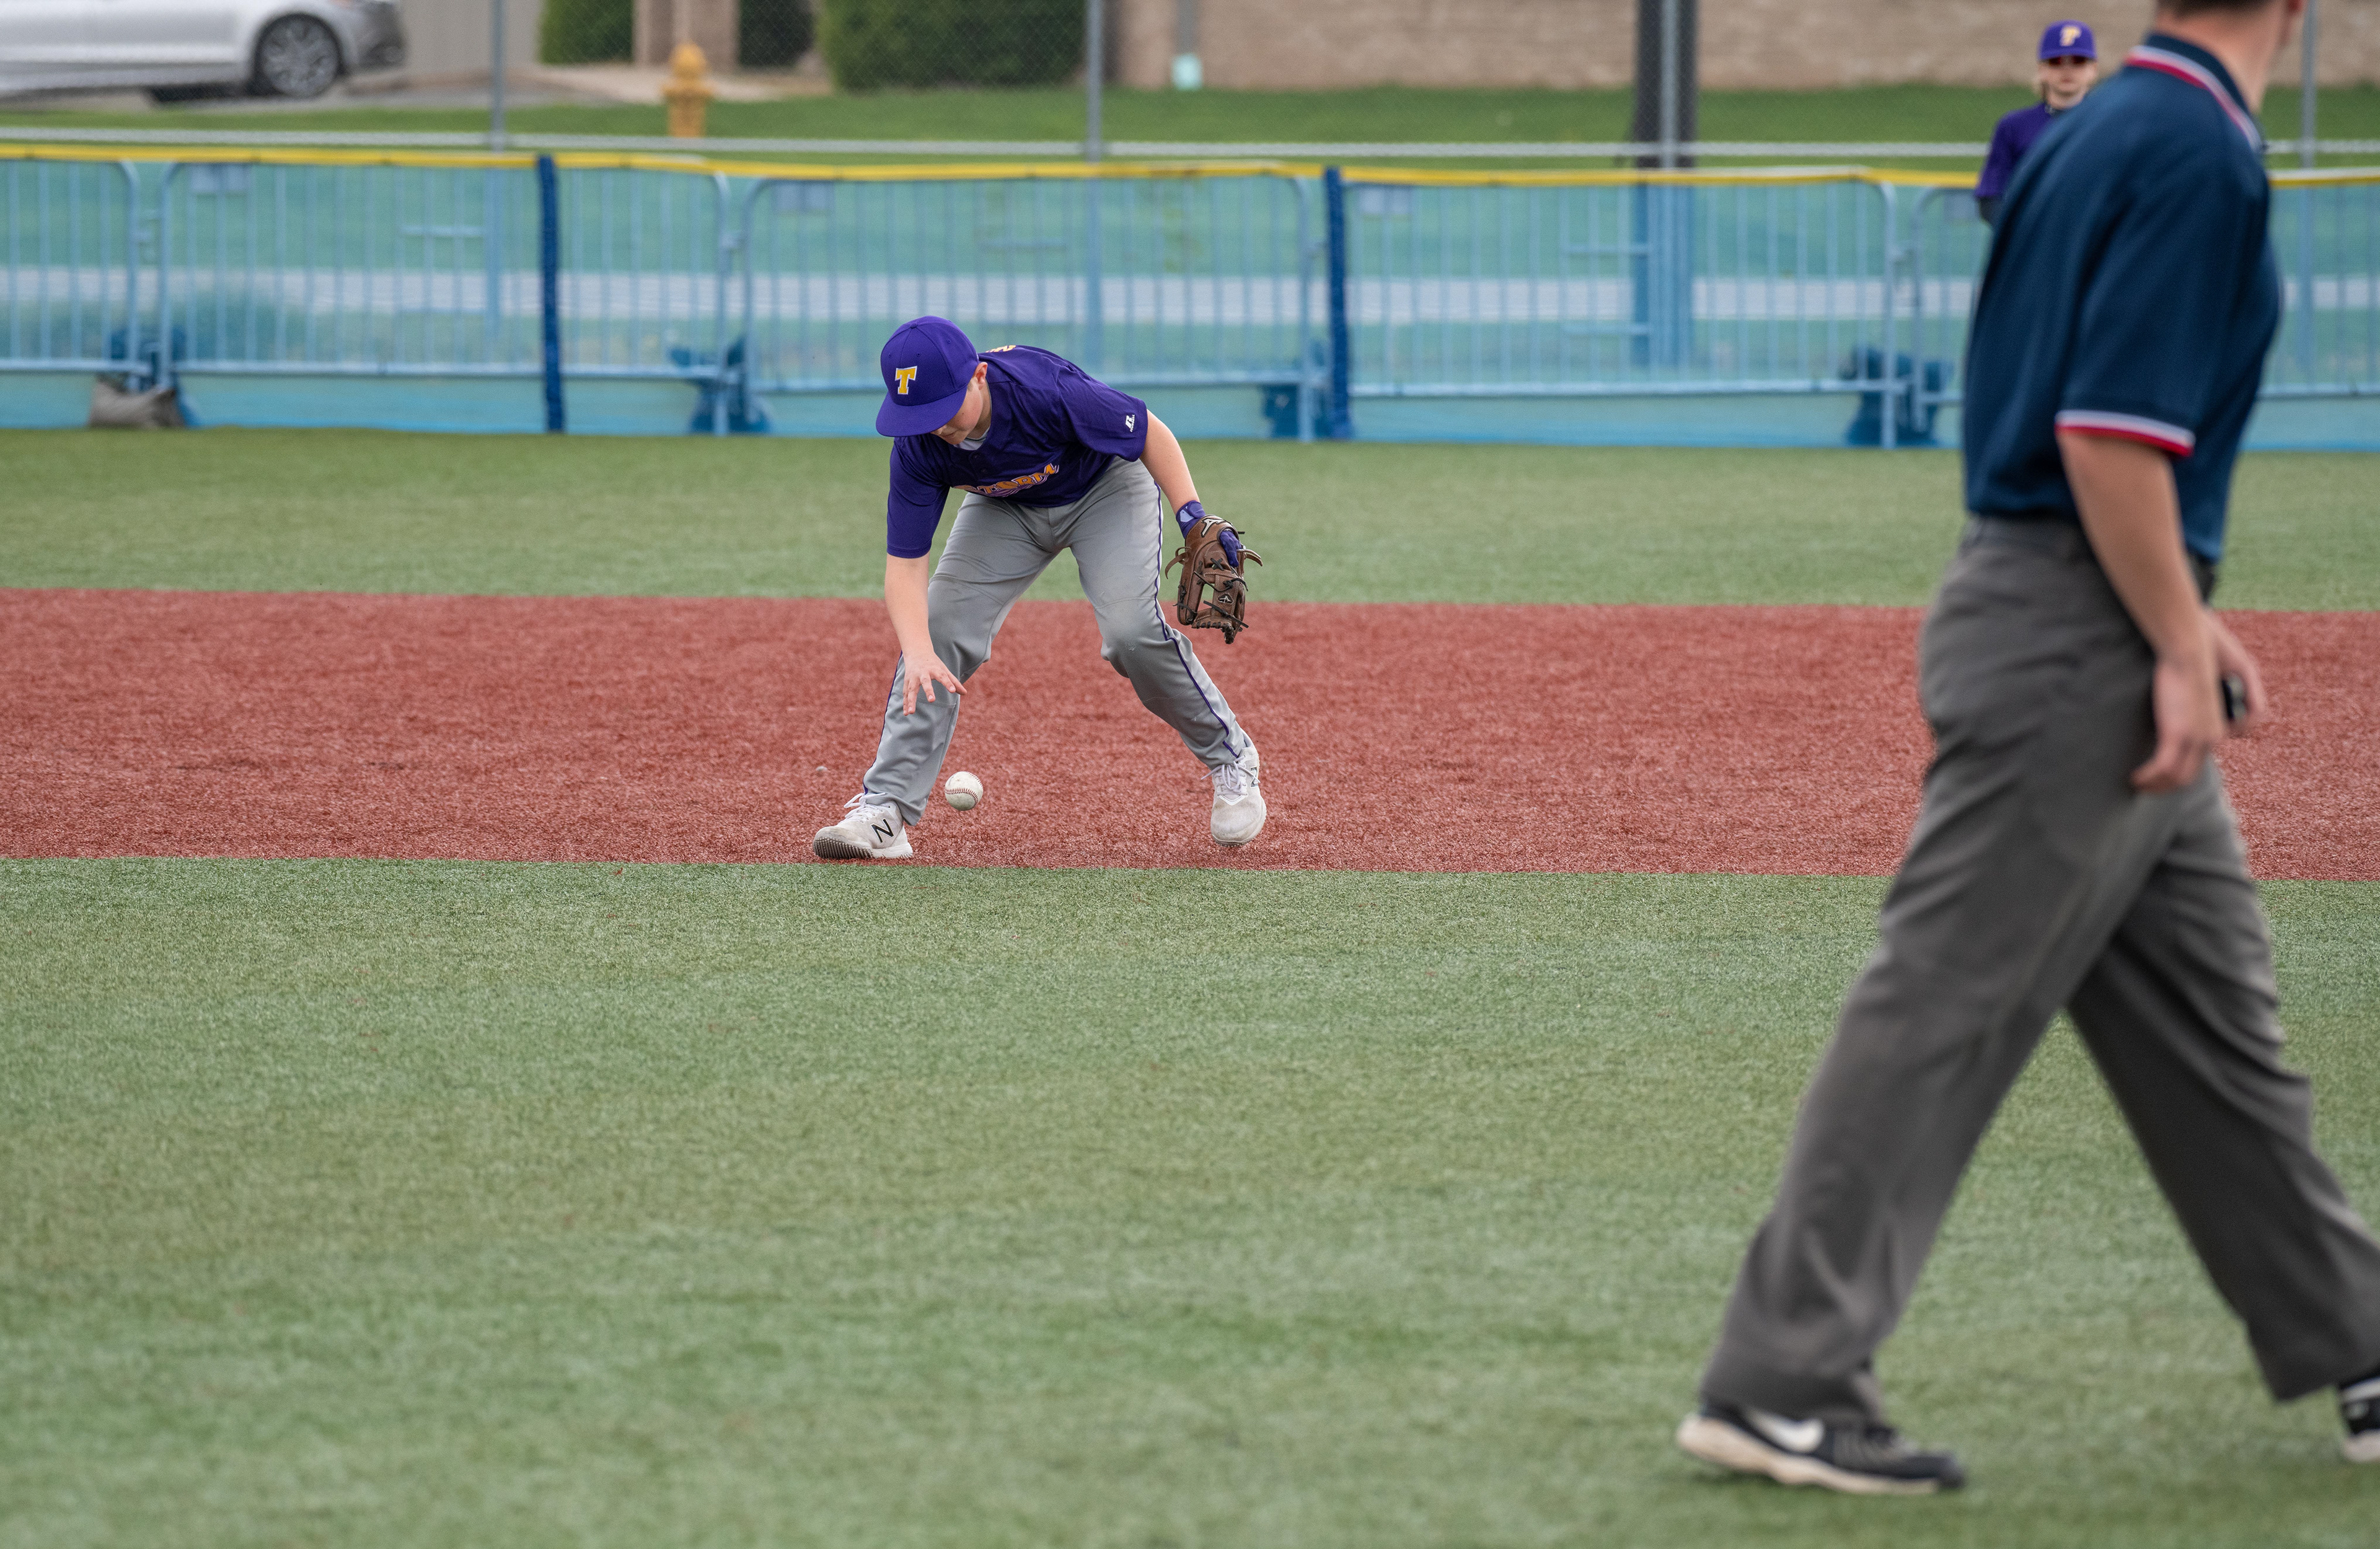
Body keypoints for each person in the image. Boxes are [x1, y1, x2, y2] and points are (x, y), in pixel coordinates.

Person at [1676, 0, 2380, 1496]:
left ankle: (2359, 1341)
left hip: (2075, 607)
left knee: (2216, 1042)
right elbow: (2106, 438)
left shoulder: (2103, 121)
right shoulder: (2191, 143)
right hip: (2078, 638)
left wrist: (2179, 618)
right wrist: (2171, 639)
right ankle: (1779, 1377)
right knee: (1938, 1003)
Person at [811, 317, 1265, 861]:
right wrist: (920, 651)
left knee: (1131, 633)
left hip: (1104, 489)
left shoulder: (1043, 389)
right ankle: (886, 808)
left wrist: (1191, 515)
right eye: (920, 414)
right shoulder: (919, 444)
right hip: (1005, 508)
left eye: (944, 408)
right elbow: (904, 566)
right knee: (938, 630)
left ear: (979, 376)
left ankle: (1231, 759)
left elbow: (1148, 430)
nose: (936, 426)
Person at [1975, 20, 2100, 226]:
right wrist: (2025, 235)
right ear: (2042, 69)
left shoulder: (2111, 126)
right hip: (2033, 239)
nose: (2067, 70)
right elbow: (1990, 198)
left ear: (2093, 69)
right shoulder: (2014, 127)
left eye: (2077, 61)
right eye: (2056, 61)